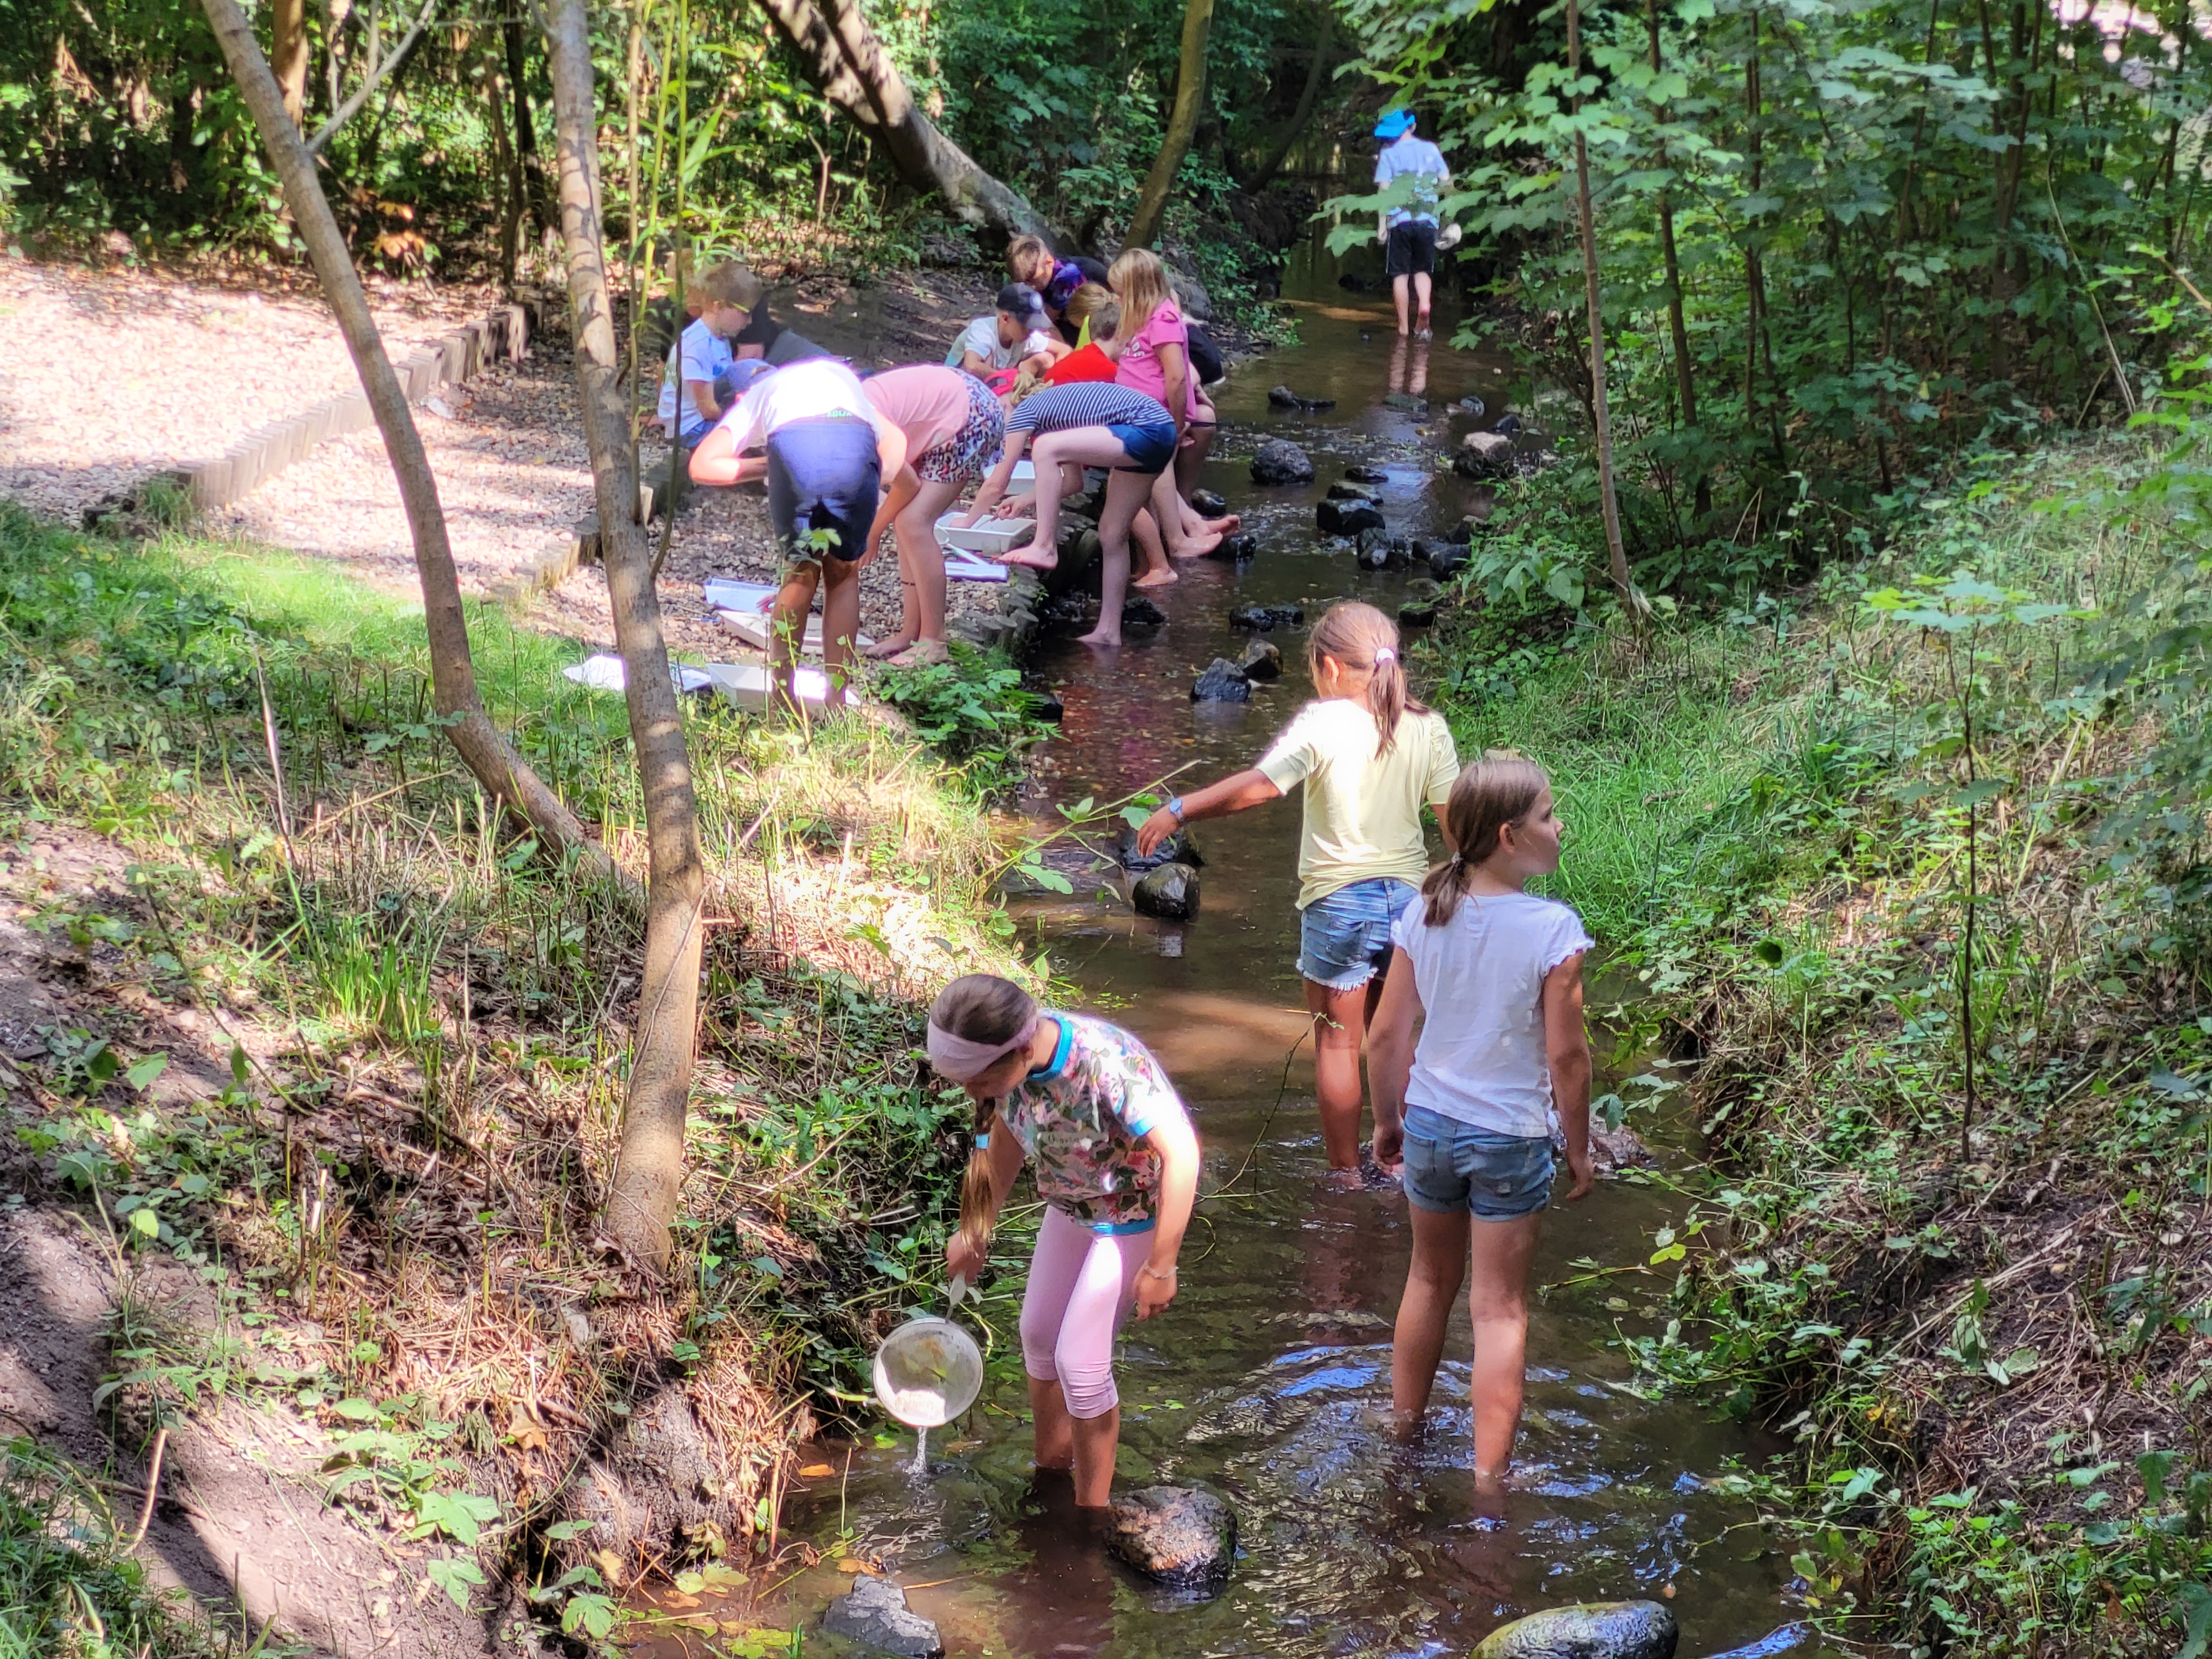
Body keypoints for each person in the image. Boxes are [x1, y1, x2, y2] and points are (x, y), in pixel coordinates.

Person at [1133, 603, 1459, 1174]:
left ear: (1329, 667)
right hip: (1408, 903)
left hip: (1338, 903)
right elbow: (1455, 821)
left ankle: (1345, 1178)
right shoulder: (1427, 726)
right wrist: (1462, 888)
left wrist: (1178, 809)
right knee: (1393, 1037)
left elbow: (1260, 788)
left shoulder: (1321, 721)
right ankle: (1403, 1165)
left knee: (1337, 1045)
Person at [1366, 753, 1595, 1494]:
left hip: (1431, 1123)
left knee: (1427, 1283)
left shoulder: (1425, 910)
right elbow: (1568, 1058)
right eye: (1548, 816)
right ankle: (1489, 1483)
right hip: (1510, 1136)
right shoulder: (1553, 929)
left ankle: (1403, 1435)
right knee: (1498, 1311)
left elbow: (1384, 1037)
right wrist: (1582, 1151)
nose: (1560, 827)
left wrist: (1386, 1123)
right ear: (1510, 835)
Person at [932, 974, 1199, 1510]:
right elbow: (1000, 1144)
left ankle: (1090, 1513)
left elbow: (1183, 1155)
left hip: (1132, 1213)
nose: (971, 1094)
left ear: (1023, 1048)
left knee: (1081, 1362)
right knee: (1038, 1334)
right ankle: (1051, 1467)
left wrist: (1162, 1265)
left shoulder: (1104, 1065)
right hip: (1072, 1206)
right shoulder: (1001, 1078)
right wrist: (976, 1227)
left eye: (977, 1081)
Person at [688, 356, 886, 713]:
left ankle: (782, 700)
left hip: (797, 445)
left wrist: (770, 464)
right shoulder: (829, 379)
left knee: (800, 573)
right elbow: (895, 443)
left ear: (736, 396)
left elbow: (702, 465)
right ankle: (837, 704)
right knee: (843, 576)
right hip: (859, 445)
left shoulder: (755, 397)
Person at [961, 378, 1177, 644]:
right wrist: (1026, 499)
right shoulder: (1062, 417)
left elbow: (997, 482)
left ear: (1005, 403)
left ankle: (1044, 546)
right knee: (1111, 533)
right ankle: (1109, 632)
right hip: (1162, 432)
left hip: (1146, 427)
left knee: (1045, 447)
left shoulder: (1023, 412)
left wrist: (966, 523)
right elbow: (1074, 484)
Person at [858, 364, 1006, 666]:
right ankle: (912, 633)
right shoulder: (848, 420)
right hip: (956, 403)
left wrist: (872, 533)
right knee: (906, 523)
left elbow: (907, 485)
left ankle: (933, 640)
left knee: (913, 522)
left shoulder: (862, 427)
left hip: (968, 413)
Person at [1104, 247, 1230, 561]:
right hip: (1139, 412)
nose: (1116, 299)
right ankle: (1177, 535)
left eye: (1121, 293)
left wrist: (1174, 424)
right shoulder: (1145, 319)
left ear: (1137, 291)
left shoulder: (1163, 319)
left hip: (1155, 416)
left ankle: (1175, 540)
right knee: (1148, 475)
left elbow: (1175, 377)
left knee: (1154, 466)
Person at [655, 260, 755, 445]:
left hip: (703, 418)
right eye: (745, 313)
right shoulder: (698, 345)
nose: (749, 322)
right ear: (718, 307)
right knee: (756, 440)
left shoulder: (719, 338)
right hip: (691, 427)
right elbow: (708, 409)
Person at [1372, 109, 1452, 340]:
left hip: (1400, 221)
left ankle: (1404, 328)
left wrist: (1382, 226)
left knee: (1400, 274)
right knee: (1423, 270)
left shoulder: (1388, 154)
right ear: (1413, 126)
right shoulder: (1431, 150)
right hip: (1427, 219)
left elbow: (1384, 192)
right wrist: (1447, 220)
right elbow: (1446, 183)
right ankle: (1424, 307)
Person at [1008, 234, 1110, 345]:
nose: (1030, 287)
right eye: (1023, 283)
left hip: (1096, 320)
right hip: (1067, 319)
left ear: (1049, 262)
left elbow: (1046, 321)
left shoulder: (1066, 276)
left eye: (1032, 280)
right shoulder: (1043, 277)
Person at [946, 283, 1061, 378]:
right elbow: (971, 366)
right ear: (1006, 318)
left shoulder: (1026, 337)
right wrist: (1011, 379)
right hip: (956, 381)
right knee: (987, 359)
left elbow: (1064, 350)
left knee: (1046, 359)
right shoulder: (983, 329)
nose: (1031, 331)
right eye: (1027, 325)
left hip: (997, 381)